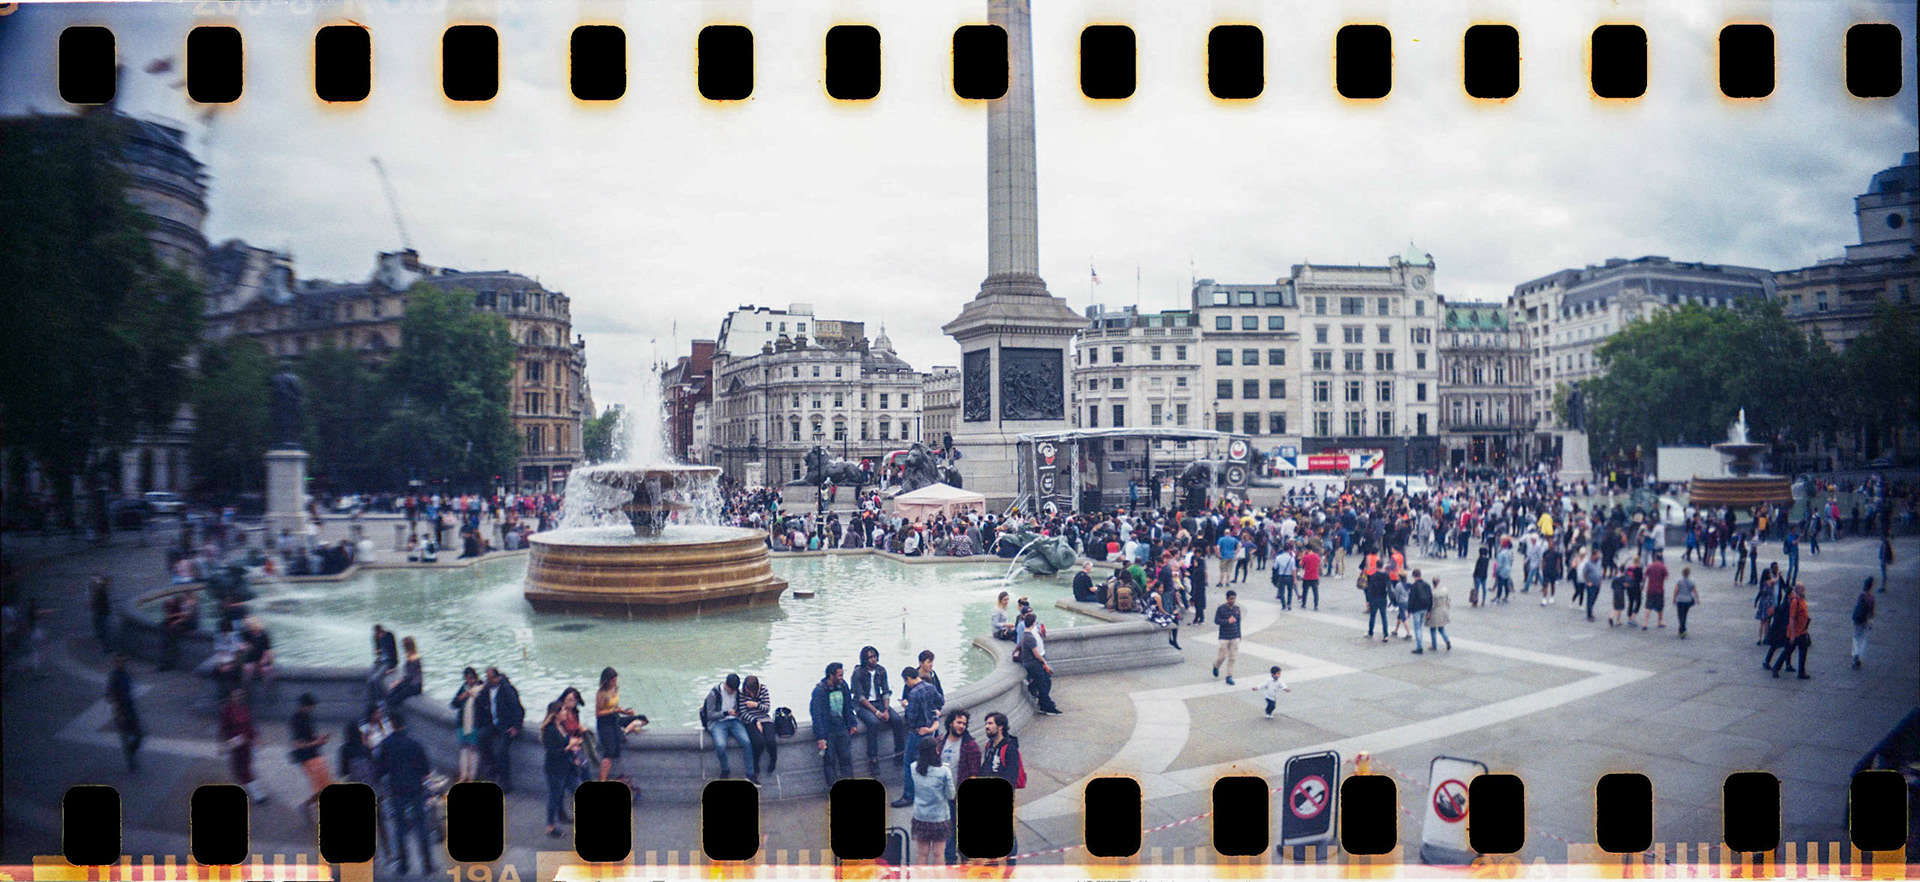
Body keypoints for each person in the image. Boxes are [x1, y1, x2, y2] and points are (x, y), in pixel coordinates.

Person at [378, 713, 436, 876]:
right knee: (421, 827)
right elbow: (425, 769)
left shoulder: (385, 744)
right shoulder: (415, 743)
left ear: (391, 724)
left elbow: (381, 770)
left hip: (396, 790)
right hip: (416, 789)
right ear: (404, 724)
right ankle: (427, 865)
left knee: (399, 829)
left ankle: (403, 865)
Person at [890, 666, 943, 808]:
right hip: (929, 731)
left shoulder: (913, 694)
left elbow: (911, 717)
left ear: (908, 678)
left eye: (905, 681)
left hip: (917, 732)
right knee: (927, 762)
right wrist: (932, 715)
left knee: (909, 763)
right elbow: (940, 701)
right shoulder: (930, 687)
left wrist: (906, 705)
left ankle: (908, 796)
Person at [934, 709, 982, 863]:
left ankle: (965, 857)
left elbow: (975, 772)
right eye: (959, 722)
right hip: (944, 793)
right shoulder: (941, 741)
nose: (961, 726)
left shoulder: (970, 745)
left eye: (964, 724)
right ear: (950, 723)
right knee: (947, 827)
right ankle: (949, 859)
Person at [849, 646, 906, 775]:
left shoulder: (881, 671)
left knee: (896, 720)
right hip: (862, 705)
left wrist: (885, 709)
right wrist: (877, 713)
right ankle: (873, 759)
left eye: (874, 656)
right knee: (873, 723)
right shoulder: (858, 673)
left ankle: (899, 753)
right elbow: (860, 697)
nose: (873, 660)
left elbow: (885, 691)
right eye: (870, 657)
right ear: (864, 659)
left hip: (879, 702)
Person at [979, 712, 1022, 866]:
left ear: (1000, 726)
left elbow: (1011, 774)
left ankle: (1011, 863)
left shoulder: (1010, 749)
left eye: (990, 723)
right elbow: (985, 768)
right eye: (986, 724)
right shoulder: (989, 745)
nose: (987, 727)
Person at [810, 662, 860, 787]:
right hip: (828, 732)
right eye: (839, 675)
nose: (841, 678)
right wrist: (820, 737)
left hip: (842, 728)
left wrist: (852, 724)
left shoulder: (843, 686)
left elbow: (848, 707)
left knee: (846, 760)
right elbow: (816, 715)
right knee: (829, 761)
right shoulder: (819, 691)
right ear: (831, 675)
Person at [909, 738, 956, 866]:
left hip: (920, 816)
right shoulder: (944, 771)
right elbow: (950, 795)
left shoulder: (913, 767)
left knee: (922, 853)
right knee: (938, 854)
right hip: (939, 818)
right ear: (935, 751)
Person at [597, 667, 647, 782]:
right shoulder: (601, 693)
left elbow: (615, 707)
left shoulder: (615, 689)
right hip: (605, 722)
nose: (615, 683)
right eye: (613, 680)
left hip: (615, 718)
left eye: (616, 680)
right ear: (607, 681)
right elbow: (598, 713)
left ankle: (625, 731)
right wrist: (614, 711)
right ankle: (602, 780)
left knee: (642, 719)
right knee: (609, 751)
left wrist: (624, 712)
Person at [540, 699, 582, 838]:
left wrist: (573, 751)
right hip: (555, 768)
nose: (565, 712)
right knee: (555, 795)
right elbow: (553, 752)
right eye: (563, 710)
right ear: (556, 714)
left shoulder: (561, 726)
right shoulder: (549, 730)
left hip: (567, 765)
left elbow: (565, 744)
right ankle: (550, 826)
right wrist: (569, 747)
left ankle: (562, 815)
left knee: (573, 788)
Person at [703, 673, 757, 780]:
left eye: (735, 690)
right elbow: (710, 715)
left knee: (747, 742)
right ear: (726, 685)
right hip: (718, 722)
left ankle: (750, 773)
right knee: (720, 745)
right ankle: (725, 770)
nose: (733, 692)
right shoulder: (714, 694)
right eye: (731, 690)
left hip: (734, 721)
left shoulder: (737, 692)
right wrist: (726, 713)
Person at [219, 687, 266, 802]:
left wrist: (256, 738)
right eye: (236, 696)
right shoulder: (227, 710)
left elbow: (250, 725)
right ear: (231, 696)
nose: (238, 698)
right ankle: (256, 793)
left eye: (240, 696)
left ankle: (256, 793)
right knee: (240, 768)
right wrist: (222, 744)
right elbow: (224, 728)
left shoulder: (245, 709)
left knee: (245, 767)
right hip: (235, 742)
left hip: (245, 742)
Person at [289, 693, 332, 816]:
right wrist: (314, 743)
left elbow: (311, 735)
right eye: (311, 706)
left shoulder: (307, 717)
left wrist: (320, 739)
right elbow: (296, 743)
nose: (312, 709)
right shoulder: (295, 720)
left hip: (315, 754)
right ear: (304, 706)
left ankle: (306, 806)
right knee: (319, 785)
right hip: (306, 757)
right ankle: (308, 806)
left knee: (324, 783)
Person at [482, 667, 523, 794]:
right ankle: (492, 766)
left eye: (490, 678)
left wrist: (515, 727)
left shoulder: (507, 690)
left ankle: (506, 783)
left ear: (497, 677)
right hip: (495, 724)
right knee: (481, 737)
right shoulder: (487, 689)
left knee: (502, 752)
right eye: (487, 678)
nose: (488, 681)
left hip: (506, 726)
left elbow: (519, 709)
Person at [1017, 612, 1061, 715]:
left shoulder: (1029, 633)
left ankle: (1042, 700)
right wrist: (1043, 662)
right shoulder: (1029, 637)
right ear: (1033, 623)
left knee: (1045, 681)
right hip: (1033, 663)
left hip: (1033, 662)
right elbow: (1036, 654)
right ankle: (1046, 705)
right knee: (1043, 683)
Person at [106, 654, 144, 773]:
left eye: (124, 661)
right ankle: (131, 761)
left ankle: (131, 753)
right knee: (126, 736)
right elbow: (110, 696)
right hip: (121, 709)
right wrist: (118, 712)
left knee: (139, 735)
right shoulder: (114, 676)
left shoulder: (126, 674)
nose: (122, 663)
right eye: (120, 661)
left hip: (130, 707)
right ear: (116, 663)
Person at [451, 667, 488, 782]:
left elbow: (484, 706)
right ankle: (463, 775)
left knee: (473, 750)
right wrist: (461, 697)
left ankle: (471, 776)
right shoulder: (464, 688)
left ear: (475, 678)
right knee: (464, 749)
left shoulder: (481, 689)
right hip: (463, 724)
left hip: (475, 724)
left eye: (471, 679)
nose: (469, 682)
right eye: (467, 679)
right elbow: (454, 704)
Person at [740, 674, 778, 780]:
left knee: (770, 740)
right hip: (751, 720)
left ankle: (773, 759)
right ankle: (755, 762)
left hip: (764, 718)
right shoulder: (741, 693)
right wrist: (755, 721)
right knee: (758, 742)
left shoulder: (763, 689)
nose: (748, 693)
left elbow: (767, 708)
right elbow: (742, 712)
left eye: (750, 691)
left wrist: (755, 705)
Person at [1771, 584, 1811, 680]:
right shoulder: (1795, 602)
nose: (1804, 591)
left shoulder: (1801, 600)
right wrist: (1792, 635)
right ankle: (1776, 667)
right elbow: (1792, 618)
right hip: (1795, 632)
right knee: (1788, 651)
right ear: (1798, 590)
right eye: (1802, 589)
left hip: (1802, 631)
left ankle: (1801, 672)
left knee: (1803, 651)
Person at [1212, 590, 1242, 685]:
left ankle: (1229, 676)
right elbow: (1216, 621)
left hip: (1235, 635)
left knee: (1232, 657)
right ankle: (1216, 665)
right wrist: (1227, 621)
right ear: (1227, 599)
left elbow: (1238, 622)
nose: (1233, 600)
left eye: (1234, 598)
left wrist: (1239, 634)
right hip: (1224, 635)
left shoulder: (1237, 609)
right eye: (1231, 598)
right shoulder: (1221, 608)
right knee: (1223, 655)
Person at [385, 637, 423, 711]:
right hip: (416, 685)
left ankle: (393, 718)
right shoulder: (416, 656)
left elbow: (409, 677)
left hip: (413, 686)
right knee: (393, 694)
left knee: (393, 698)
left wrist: (397, 683)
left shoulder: (411, 659)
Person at [369, 624, 399, 702]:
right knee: (370, 679)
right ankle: (372, 700)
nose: (378, 635)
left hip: (388, 662)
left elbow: (394, 651)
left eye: (379, 634)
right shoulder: (376, 637)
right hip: (380, 661)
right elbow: (378, 653)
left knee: (376, 679)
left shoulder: (389, 636)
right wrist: (377, 650)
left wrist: (392, 667)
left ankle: (380, 701)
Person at [1851, 578, 1877, 669]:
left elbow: (1857, 607)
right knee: (1863, 639)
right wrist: (1871, 622)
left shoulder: (1861, 595)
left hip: (1858, 620)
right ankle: (1860, 658)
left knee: (1856, 638)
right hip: (1866, 620)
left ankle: (1855, 655)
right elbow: (1872, 612)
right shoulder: (1871, 597)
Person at [1406, 571, 1433, 655]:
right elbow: (1431, 597)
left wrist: (1409, 611)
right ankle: (1419, 644)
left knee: (1417, 628)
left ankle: (1419, 647)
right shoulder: (1427, 585)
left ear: (1414, 576)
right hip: (1425, 608)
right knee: (1420, 626)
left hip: (1416, 609)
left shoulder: (1414, 586)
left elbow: (1411, 599)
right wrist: (1429, 610)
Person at [1643, 553, 1669, 630]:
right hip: (1659, 589)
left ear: (1654, 558)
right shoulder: (1663, 567)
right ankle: (1659, 621)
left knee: (1648, 606)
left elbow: (1644, 577)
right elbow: (1666, 577)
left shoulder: (1650, 566)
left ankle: (1645, 622)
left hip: (1650, 589)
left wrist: (1643, 586)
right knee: (1660, 606)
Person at [1426, 578, 1453, 651]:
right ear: (1439, 582)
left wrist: (1428, 613)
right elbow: (1448, 600)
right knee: (1441, 628)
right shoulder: (1444, 590)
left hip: (1435, 611)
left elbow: (1430, 604)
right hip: (1444, 611)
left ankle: (1434, 645)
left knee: (1433, 629)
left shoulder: (1432, 592)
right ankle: (1447, 640)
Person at [1672, 567, 1698, 638]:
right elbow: (1695, 591)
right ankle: (1681, 629)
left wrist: (1674, 598)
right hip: (1688, 600)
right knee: (1685, 614)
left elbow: (1676, 590)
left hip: (1680, 600)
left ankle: (1683, 629)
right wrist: (1697, 599)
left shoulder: (1679, 581)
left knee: (1680, 615)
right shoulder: (1691, 581)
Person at [90, 576, 113, 650]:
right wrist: (108, 611)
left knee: (99, 627)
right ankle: (106, 647)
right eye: (109, 582)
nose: (110, 584)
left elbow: (94, 601)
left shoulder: (98, 589)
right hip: (101, 612)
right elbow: (104, 603)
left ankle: (99, 639)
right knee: (105, 630)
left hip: (97, 611)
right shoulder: (102, 591)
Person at [1298, 544, 1322, 610]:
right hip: (1315, 576)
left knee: (1305, 592)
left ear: (1306, 550)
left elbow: (1300, 564)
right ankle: (1316, 605)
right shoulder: (1317, 556)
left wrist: (1303, 555)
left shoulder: (1305, 557)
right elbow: (1319, 564)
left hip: (1307, 577)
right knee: (1315, 592)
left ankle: (1304, 604)